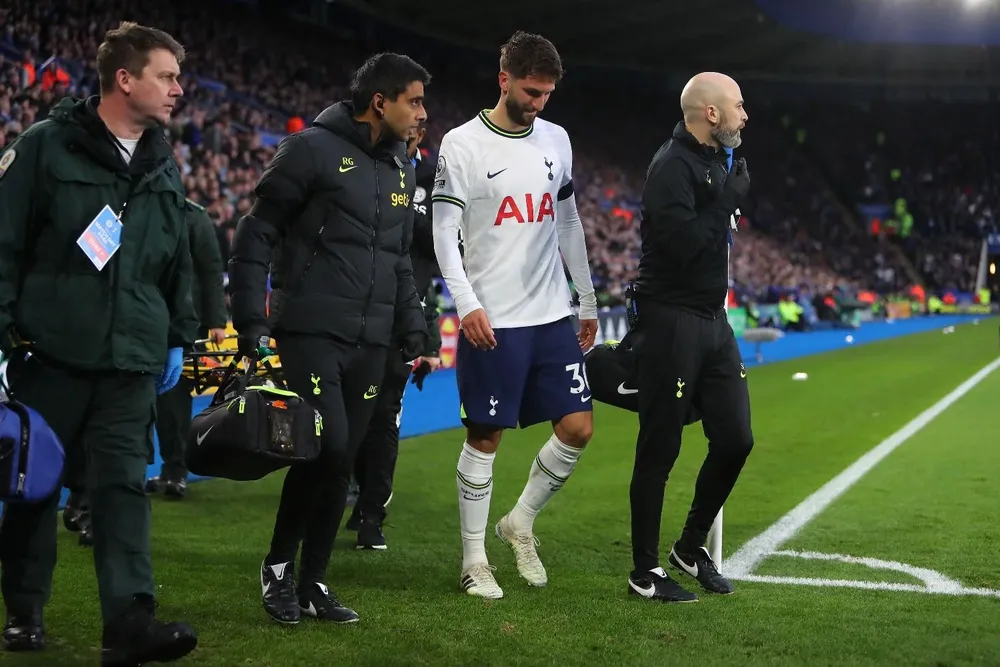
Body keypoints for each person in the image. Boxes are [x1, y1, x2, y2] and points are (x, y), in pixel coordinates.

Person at [0, 21, 199, 664]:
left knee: (121, 488)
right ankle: (25, 611)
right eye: (166, 76)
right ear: (124, 79)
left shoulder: (164, 160)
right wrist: (5, 334)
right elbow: (4, 244)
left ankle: (129, 623)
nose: (178, 89)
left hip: (132, 357)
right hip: (50, 349)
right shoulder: (44, 147)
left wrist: (174, 337)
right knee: (34, 487)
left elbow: (174, 263)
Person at [228, 52, 430, 626]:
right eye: (414, 101)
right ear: (380, 102)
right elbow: (256, 232)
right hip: (310, 329)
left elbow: (397, 260)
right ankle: (276, 567)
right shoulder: (310, 149)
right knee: (330, 445)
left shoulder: (401, 167)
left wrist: (411, 323)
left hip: (371, 338)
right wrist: (252, 320)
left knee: (342, 463)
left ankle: (314, 580)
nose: (421, 113)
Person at [432, 31, 598, 600]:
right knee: (486, 437)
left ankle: (519, 521)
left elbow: (569, 222)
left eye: (548, 93)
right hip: (494, 318)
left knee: (578, 427)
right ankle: (474, 560)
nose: (539, 103)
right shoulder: (461, 144)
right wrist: (467, 303)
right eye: (531, 91)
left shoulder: (557, 138)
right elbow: (443, 233)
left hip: (552, 312)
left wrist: (588, 297)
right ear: (503, 79)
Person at [627, 71, 754, 604]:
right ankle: (644, 572)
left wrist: (724, 191)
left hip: (711, 319)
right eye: (739, 106)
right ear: (711, 114)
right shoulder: (671, 167)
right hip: (670, 318)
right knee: (661, 445)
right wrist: (726, 199)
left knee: (736, 439)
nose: (745, 115)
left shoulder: (712, 163)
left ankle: (689, 546)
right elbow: (683, 248)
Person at [347, 123, 442, 550]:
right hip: (353, 309)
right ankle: (347, 496)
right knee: (348, 415)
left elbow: (443, 247)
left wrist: (429, 335)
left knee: (384, 415)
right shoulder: (362, 163)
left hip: (402, 313)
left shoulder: (434, 175)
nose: (415, 129)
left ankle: (371, 513)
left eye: (422, 124)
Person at [147, 197, 229, 499]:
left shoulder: (194, 216)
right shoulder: (143, 208)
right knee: (154, 403)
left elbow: (210, 269)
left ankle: (177, 469)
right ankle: (168, 468)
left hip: (179, 326)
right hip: (146, 319)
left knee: (173, 401)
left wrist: (217, 320)